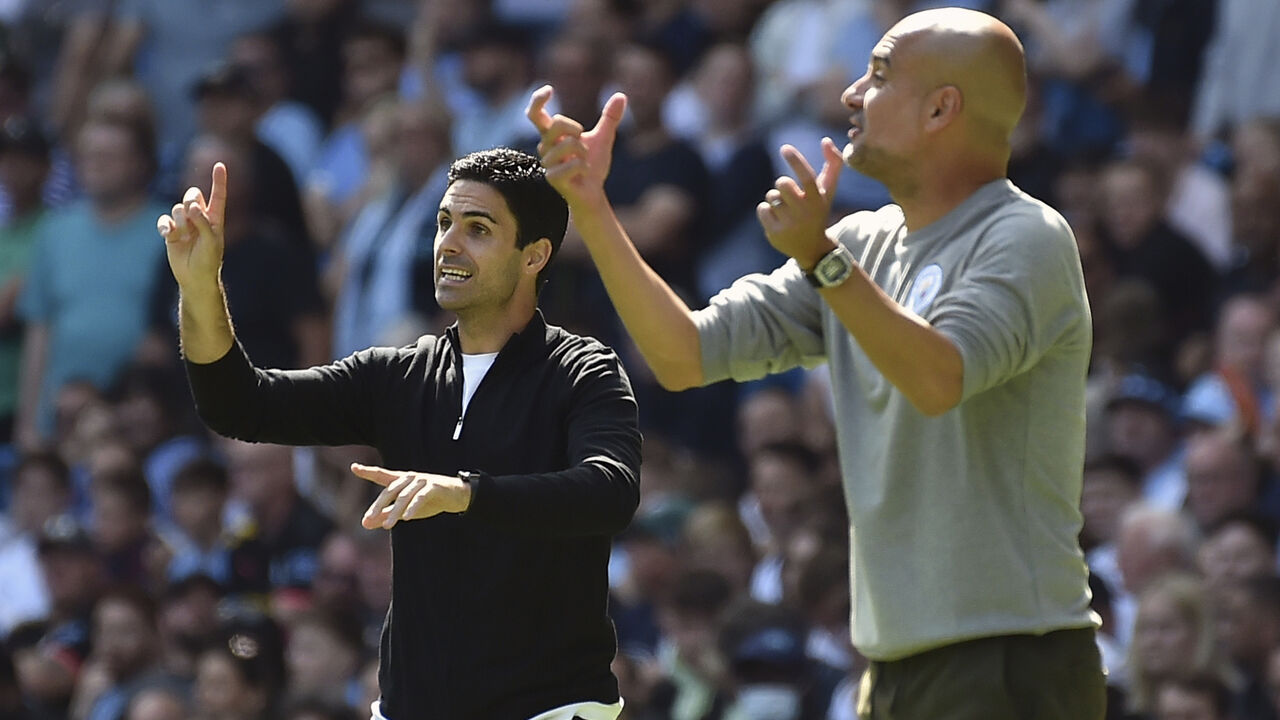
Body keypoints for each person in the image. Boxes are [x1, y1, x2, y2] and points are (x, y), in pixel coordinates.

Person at [528, 6, 1104, 718]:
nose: (851, 94)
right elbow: (683, 354)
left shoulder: (1026, 236)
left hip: (1011, 654)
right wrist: (591, 208)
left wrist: (823, 259)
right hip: (895, 660)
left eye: (879, 75)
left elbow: (939, 378)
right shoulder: (861, 245)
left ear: (940, 109)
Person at [156, 147, 642, 719]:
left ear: (534, 255)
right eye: (443, 223)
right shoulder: (398, 375)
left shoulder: (583, 370)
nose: (449, 244)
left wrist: (465, 494)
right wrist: (200, 286)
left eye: (478, 228)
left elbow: (609, 491)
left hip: (553, 710)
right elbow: (240, 405)